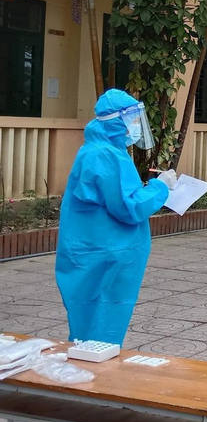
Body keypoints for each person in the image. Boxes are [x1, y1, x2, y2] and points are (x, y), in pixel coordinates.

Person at [55, 89, 172, 345]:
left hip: (97, 250)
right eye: (132, 119)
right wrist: (160, 187)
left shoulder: (100, 150)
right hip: (105, 253)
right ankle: (93, 362)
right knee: (102, 323)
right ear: (117, 120)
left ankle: (88, 358)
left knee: (91, 321)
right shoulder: (105, 155)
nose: (135, 126)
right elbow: (128, 207)